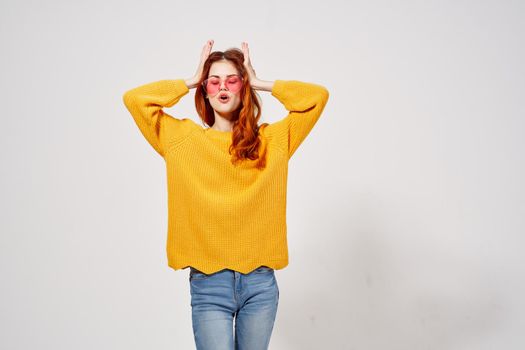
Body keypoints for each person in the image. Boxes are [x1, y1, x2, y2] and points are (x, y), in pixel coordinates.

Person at [122, 40, 329, 350]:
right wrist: (190, 80)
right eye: (214, 80)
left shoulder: (272, 141)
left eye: (232, 80)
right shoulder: (182, 140)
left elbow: (317, 98)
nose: (223, 87)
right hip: (209, 284)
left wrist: (259, 82)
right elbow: (135, 100)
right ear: (205, 90)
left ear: (242, 88)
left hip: (259, 284)